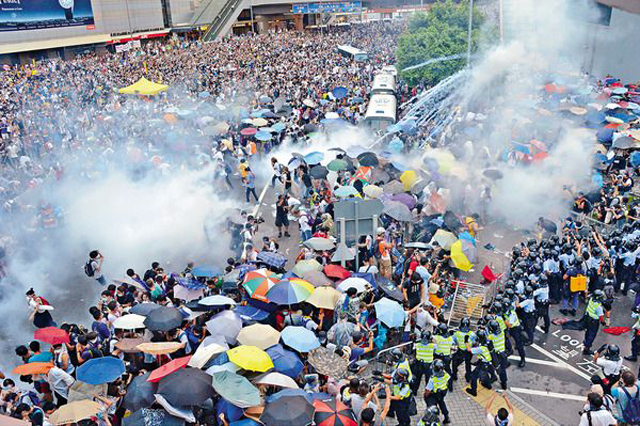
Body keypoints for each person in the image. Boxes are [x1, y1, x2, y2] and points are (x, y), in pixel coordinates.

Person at [424, 359, 451, 424]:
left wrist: (426, 395)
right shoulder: (446, 375)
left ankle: (432, 420)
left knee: (432, 407)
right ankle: (446, 417)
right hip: (442, 393)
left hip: (433, 395)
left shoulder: (433, 379)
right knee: (442, 403)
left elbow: (428, 390)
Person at [583, 290, 606, 355]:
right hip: (593, 321)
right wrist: (603, 322)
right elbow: (601, 317)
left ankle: (585, 342)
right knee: (592, 334)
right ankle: (586, 349)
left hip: (587, 317)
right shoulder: (598, 307)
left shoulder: (591, 299)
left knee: (587, 332)